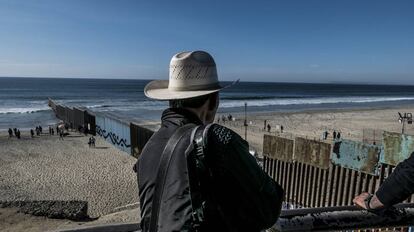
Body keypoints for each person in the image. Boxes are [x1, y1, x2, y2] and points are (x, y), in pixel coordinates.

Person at [135, 51, 283, 232]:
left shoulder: (150, 147)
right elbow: (269, 208)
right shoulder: (215, 138)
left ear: (171, 99)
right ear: (213, 101)